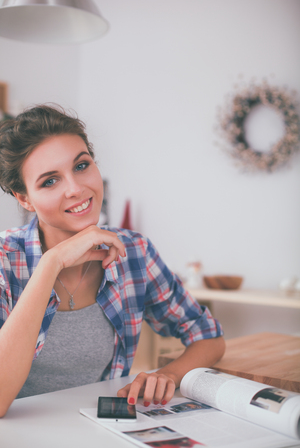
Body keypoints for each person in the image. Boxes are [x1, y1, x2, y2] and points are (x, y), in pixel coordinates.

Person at [0, 105, 225, 417]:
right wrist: (51, 263)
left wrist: (169, 375)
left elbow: (208, 336)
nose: (76, 189)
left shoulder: (134, 252)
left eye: (81, 166)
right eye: (50, 181)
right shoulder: (4, 260)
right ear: (24, 198)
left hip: (103, 428)